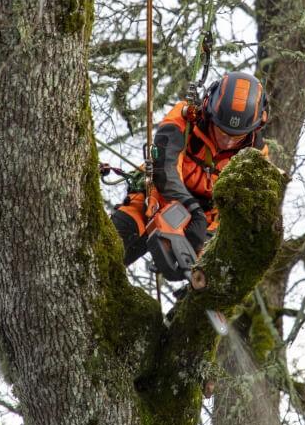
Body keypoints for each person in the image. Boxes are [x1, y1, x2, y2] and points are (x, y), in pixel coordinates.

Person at [111, 71, 269, 284]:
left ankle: (192, 306)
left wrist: (205, 234)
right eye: (222, 131)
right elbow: (165, 168)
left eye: (236, 136)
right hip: (155, 198)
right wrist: (193, 210)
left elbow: (236, 211)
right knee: (109, 246)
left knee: (210, 276)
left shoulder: (256, 156)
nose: (227, 141)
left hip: (206, 225)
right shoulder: (185, 118)